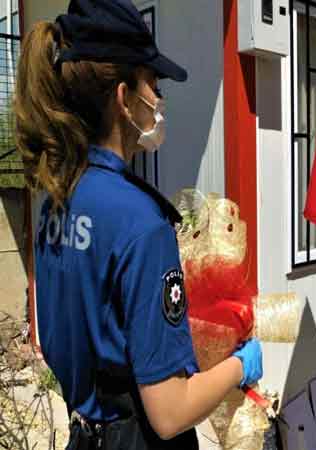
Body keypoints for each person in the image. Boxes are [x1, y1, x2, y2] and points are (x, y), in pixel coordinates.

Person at [14, 1, 263, 449]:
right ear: (124, 99)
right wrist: (241, 365)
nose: (159, 100)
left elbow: (61, 337)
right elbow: (169, 412)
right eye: (153, 82)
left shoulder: (57, 198)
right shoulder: (141, 221)